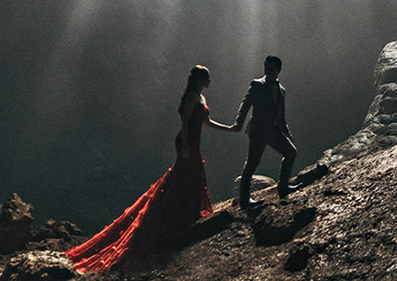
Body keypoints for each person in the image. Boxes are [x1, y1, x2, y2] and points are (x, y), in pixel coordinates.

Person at [62, 65, 237, 273]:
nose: (210, 82)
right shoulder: (192, 97)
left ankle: (184, 213)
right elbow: (184, 121)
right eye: (207, 78)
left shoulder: (200, 97)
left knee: (191, 175)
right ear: (201, 80)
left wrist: (227, 128)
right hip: (187, 142)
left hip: (193, 142)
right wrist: (186, 145)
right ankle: (176, 215)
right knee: (187, 175)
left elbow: (205, 122)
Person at [232, 55, 299, 209]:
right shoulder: (257, 84)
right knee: (252, 163)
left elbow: (281, 115)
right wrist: (239, 122)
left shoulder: (281, 90)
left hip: (274, 131)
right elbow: (245, 103)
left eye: (271, 68)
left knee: (291, 153)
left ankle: (283, 187)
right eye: (266, 68)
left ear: (278, 70)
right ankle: (244, 200)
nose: (268, 71)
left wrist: (286, 132)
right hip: (258, 131)